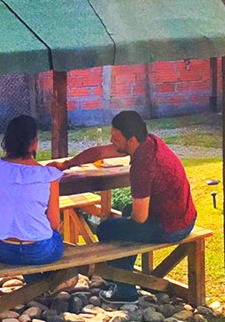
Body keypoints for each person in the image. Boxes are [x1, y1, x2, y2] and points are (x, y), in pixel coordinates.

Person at [54, 110, 196, 301]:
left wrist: (114, 222)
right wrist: (67, 163)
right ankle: (123, 278)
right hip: (184, 216)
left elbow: (139, 219)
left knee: (107, 229)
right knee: (125, 215)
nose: (112, 141)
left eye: (115, 138)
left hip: (172, 227)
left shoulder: (142, 165)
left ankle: (124, 289)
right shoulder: (148, 142)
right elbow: (99, 152)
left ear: (131, 140)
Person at [0, 115, 64, 266]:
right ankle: (44, 286)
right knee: (55, 238)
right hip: (39, 251)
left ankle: (37, 287)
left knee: (33, 251)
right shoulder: (48, 175)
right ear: (34, 144)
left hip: (3, 249)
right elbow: (54, 222)